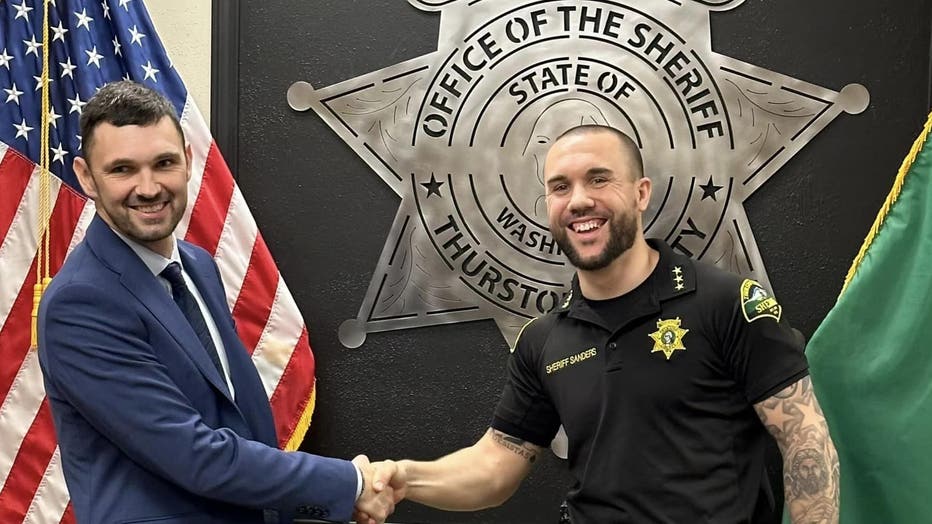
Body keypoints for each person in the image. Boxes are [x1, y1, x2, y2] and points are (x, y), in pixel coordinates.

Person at [368, 125, 840, 523]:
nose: (578, 201)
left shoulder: (724, 302)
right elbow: (494, 468)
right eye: (560, 187)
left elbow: (804, 437)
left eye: (599, 180)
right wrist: (406, 479)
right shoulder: (544, 339)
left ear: (640, 194)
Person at [37, 81, 397, 524]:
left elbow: (239, 420)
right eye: (122, 170)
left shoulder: (196, 266)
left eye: (163, 163)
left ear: (188, 161)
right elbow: (193, 456)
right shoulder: (81, 304)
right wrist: (350, 484)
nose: (148, 188)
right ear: (87, 177)